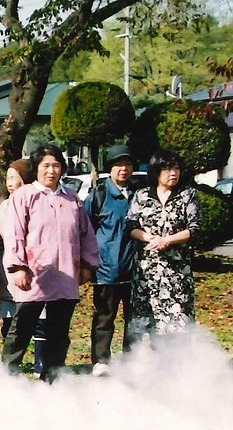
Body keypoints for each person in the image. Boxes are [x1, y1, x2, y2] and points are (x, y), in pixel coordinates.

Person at [1, 146, 97, 380]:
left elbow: (86, 234)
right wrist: (18, 267)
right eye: (45, 165)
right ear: (36, 168)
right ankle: (5, 378)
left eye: (55, 165)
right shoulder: (24, 196)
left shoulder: (72, 198)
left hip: (65, 273)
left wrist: (87, 264)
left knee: (59, 332)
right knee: (21, 328)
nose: (51, 171)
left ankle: (52, 378)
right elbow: (14, 234)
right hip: (33, 274)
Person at [126, 150, 201, 339]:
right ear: (156, 171)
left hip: (176, 272)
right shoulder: (141, 195)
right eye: (167, 169)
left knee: (178, 322)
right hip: (147, 272)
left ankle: (176, 364)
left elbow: (194, 229)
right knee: (146, 322)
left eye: (176, 168)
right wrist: (149, 238)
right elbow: (131, 226)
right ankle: (146, 363)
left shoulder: (187, 195)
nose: (173, 173)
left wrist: (167, 240)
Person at [85, 145, 139, 376]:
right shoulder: (98, 195)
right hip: (106, 268)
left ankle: (132, 359)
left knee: (134, 319)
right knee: (105, 316)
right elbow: (85, 230)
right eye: (118, 165)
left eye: (127, 164)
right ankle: (101, 359)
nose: (123, 169)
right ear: (110, 169)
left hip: (135, 268)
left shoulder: (140, 194)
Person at [0, 159, 34, 346]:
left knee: (35, 315)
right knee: (9, 316)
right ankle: (10, 357)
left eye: (14, 178)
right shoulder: (5, 207)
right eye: (7, 178)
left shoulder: (35, 203)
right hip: (7, 267)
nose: (10, 183)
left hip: (32, 268)